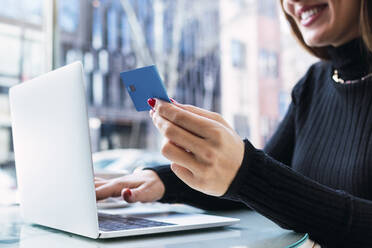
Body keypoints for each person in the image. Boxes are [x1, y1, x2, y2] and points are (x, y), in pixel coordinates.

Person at [95, 0, 372, 247]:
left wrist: (247, 173)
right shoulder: (312, 85)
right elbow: (253, 185)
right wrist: (162, 180)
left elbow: (258, 181)